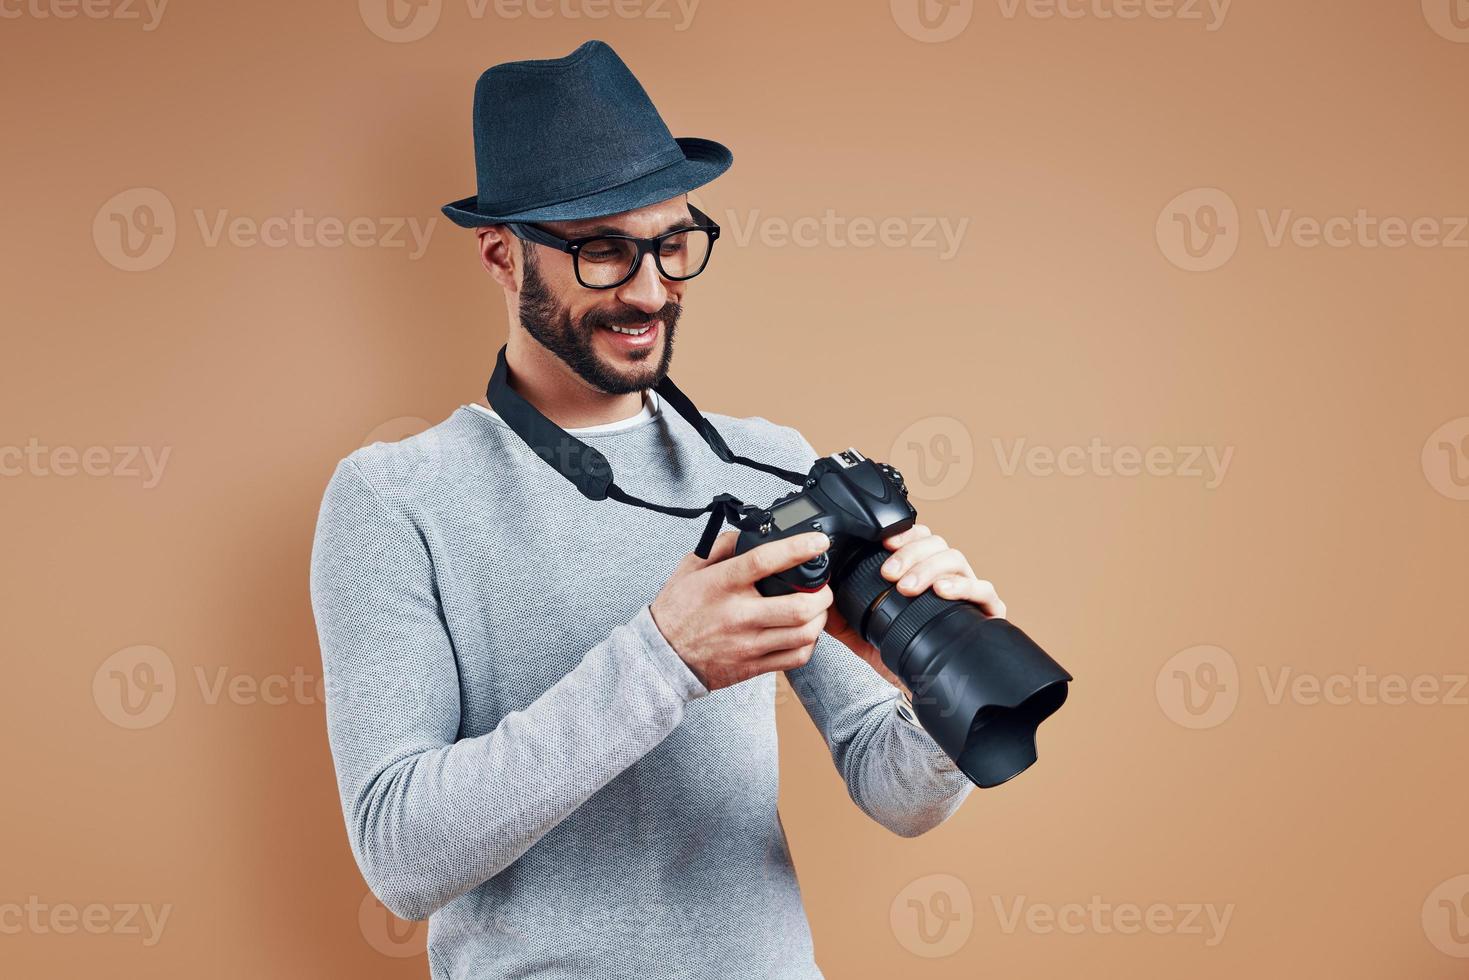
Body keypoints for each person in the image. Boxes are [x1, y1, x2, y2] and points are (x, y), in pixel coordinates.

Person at [310, 39, 1006, 980]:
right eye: (602, 251)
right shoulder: (395, 498)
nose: (648, 290)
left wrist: (940, 682)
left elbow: (897, 793)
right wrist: (663, 659)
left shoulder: (770, 463)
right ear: (500, 255)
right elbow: (402, 854)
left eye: (671, 244)